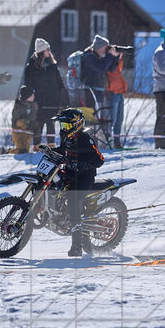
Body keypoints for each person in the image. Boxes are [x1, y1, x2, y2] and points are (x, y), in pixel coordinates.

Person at [50, 107, 105, 257]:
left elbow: (100, 159)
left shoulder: (85, 139)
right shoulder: (67, 137)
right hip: (69, 172)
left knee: (73, 199)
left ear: (77, 125)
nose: (63, 129)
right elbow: (63, 150)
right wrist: (49, 151)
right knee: (52, 185)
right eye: (62, 126)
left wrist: (85, 164)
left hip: (84, 176)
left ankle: (77, 245)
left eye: (67, 126)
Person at [23, 38, 68, 147]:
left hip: (53, 101)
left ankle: (51, 147)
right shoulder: (31, 68)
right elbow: (28, 86)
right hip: (40, 101)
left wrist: (63, 99)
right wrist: (32, 101)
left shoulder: (53, 66)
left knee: (51, 124)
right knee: (38, 124)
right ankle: (36, 147)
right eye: (47, 49)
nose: (49, 51)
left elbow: (59, 83)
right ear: (41, 51)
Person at [79, 35, 120, 111]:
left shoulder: (99, 57)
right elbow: (101, 68)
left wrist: (116, 58)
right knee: (92, 118)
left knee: (99, 118)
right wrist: (110, 55)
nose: (107, 50)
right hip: (89, 92)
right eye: (106, 47)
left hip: (98, 91)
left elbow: (111, 70)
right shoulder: (89, 57)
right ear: (99, 47)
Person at [105, 49, 128, 149]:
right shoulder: (107, 60)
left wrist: (120, 58)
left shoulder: (114, 61)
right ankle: (109, 142)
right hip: (113, 92)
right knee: (112, 119)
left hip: (120, 92)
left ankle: (117, 142)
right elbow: (112, 69)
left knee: (119, 119)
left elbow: (118, 68)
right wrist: (115, 57)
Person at [8, 85, 37, 154]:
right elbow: (16, 122)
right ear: (27, 96)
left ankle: (10, 151)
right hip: (18, 132)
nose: (34, 97)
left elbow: (33, 118)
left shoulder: (32, 105)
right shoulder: (18, 106)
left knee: (26, 152)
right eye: (32, 95)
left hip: (28, 132)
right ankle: (6, 152)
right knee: (21, 151)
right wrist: (25, 121)